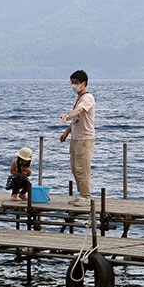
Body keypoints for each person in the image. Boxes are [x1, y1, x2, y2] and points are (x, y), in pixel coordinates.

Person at [59, 70, 95, 207]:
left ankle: (86, 196)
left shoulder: (88, 98)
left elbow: (78, 111)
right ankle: (81, 194)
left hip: (84, 139)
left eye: (76, 83)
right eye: (72, 82)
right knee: (75, 168)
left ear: (83, 83)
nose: (73, 85)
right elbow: (76, 120)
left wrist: (67, 116)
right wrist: (67, 132)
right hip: (75, 138)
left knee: (82, 168)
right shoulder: (79, 98)